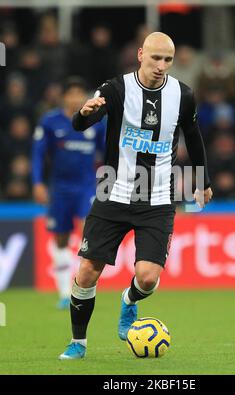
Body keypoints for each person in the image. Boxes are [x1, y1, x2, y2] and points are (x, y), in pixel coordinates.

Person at [59, 32, 213, 360]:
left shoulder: (183, 95)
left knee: (147, 277)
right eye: (155, 58)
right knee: (88, 270)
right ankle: (78, 343)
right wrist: (84, 113)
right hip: (112, 191)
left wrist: (202, 180)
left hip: (157, 198)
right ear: (141, 54)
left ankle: (128, 302)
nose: (161, 66)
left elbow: (193, 135)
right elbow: (80, 125)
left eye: (167, 60)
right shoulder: (115, 89)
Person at [32, 77, 106, 309]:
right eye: (71, 94)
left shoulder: (96, 122)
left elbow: (107, 153)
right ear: (64, 97)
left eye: (79, 93)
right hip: (60, 188)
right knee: (61, 239)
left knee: (89, 232)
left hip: (86, 187)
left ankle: (82, 286)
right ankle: (64, 292)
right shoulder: (50, 122)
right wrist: (37, 183)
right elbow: (37, 154)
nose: (75, 98)